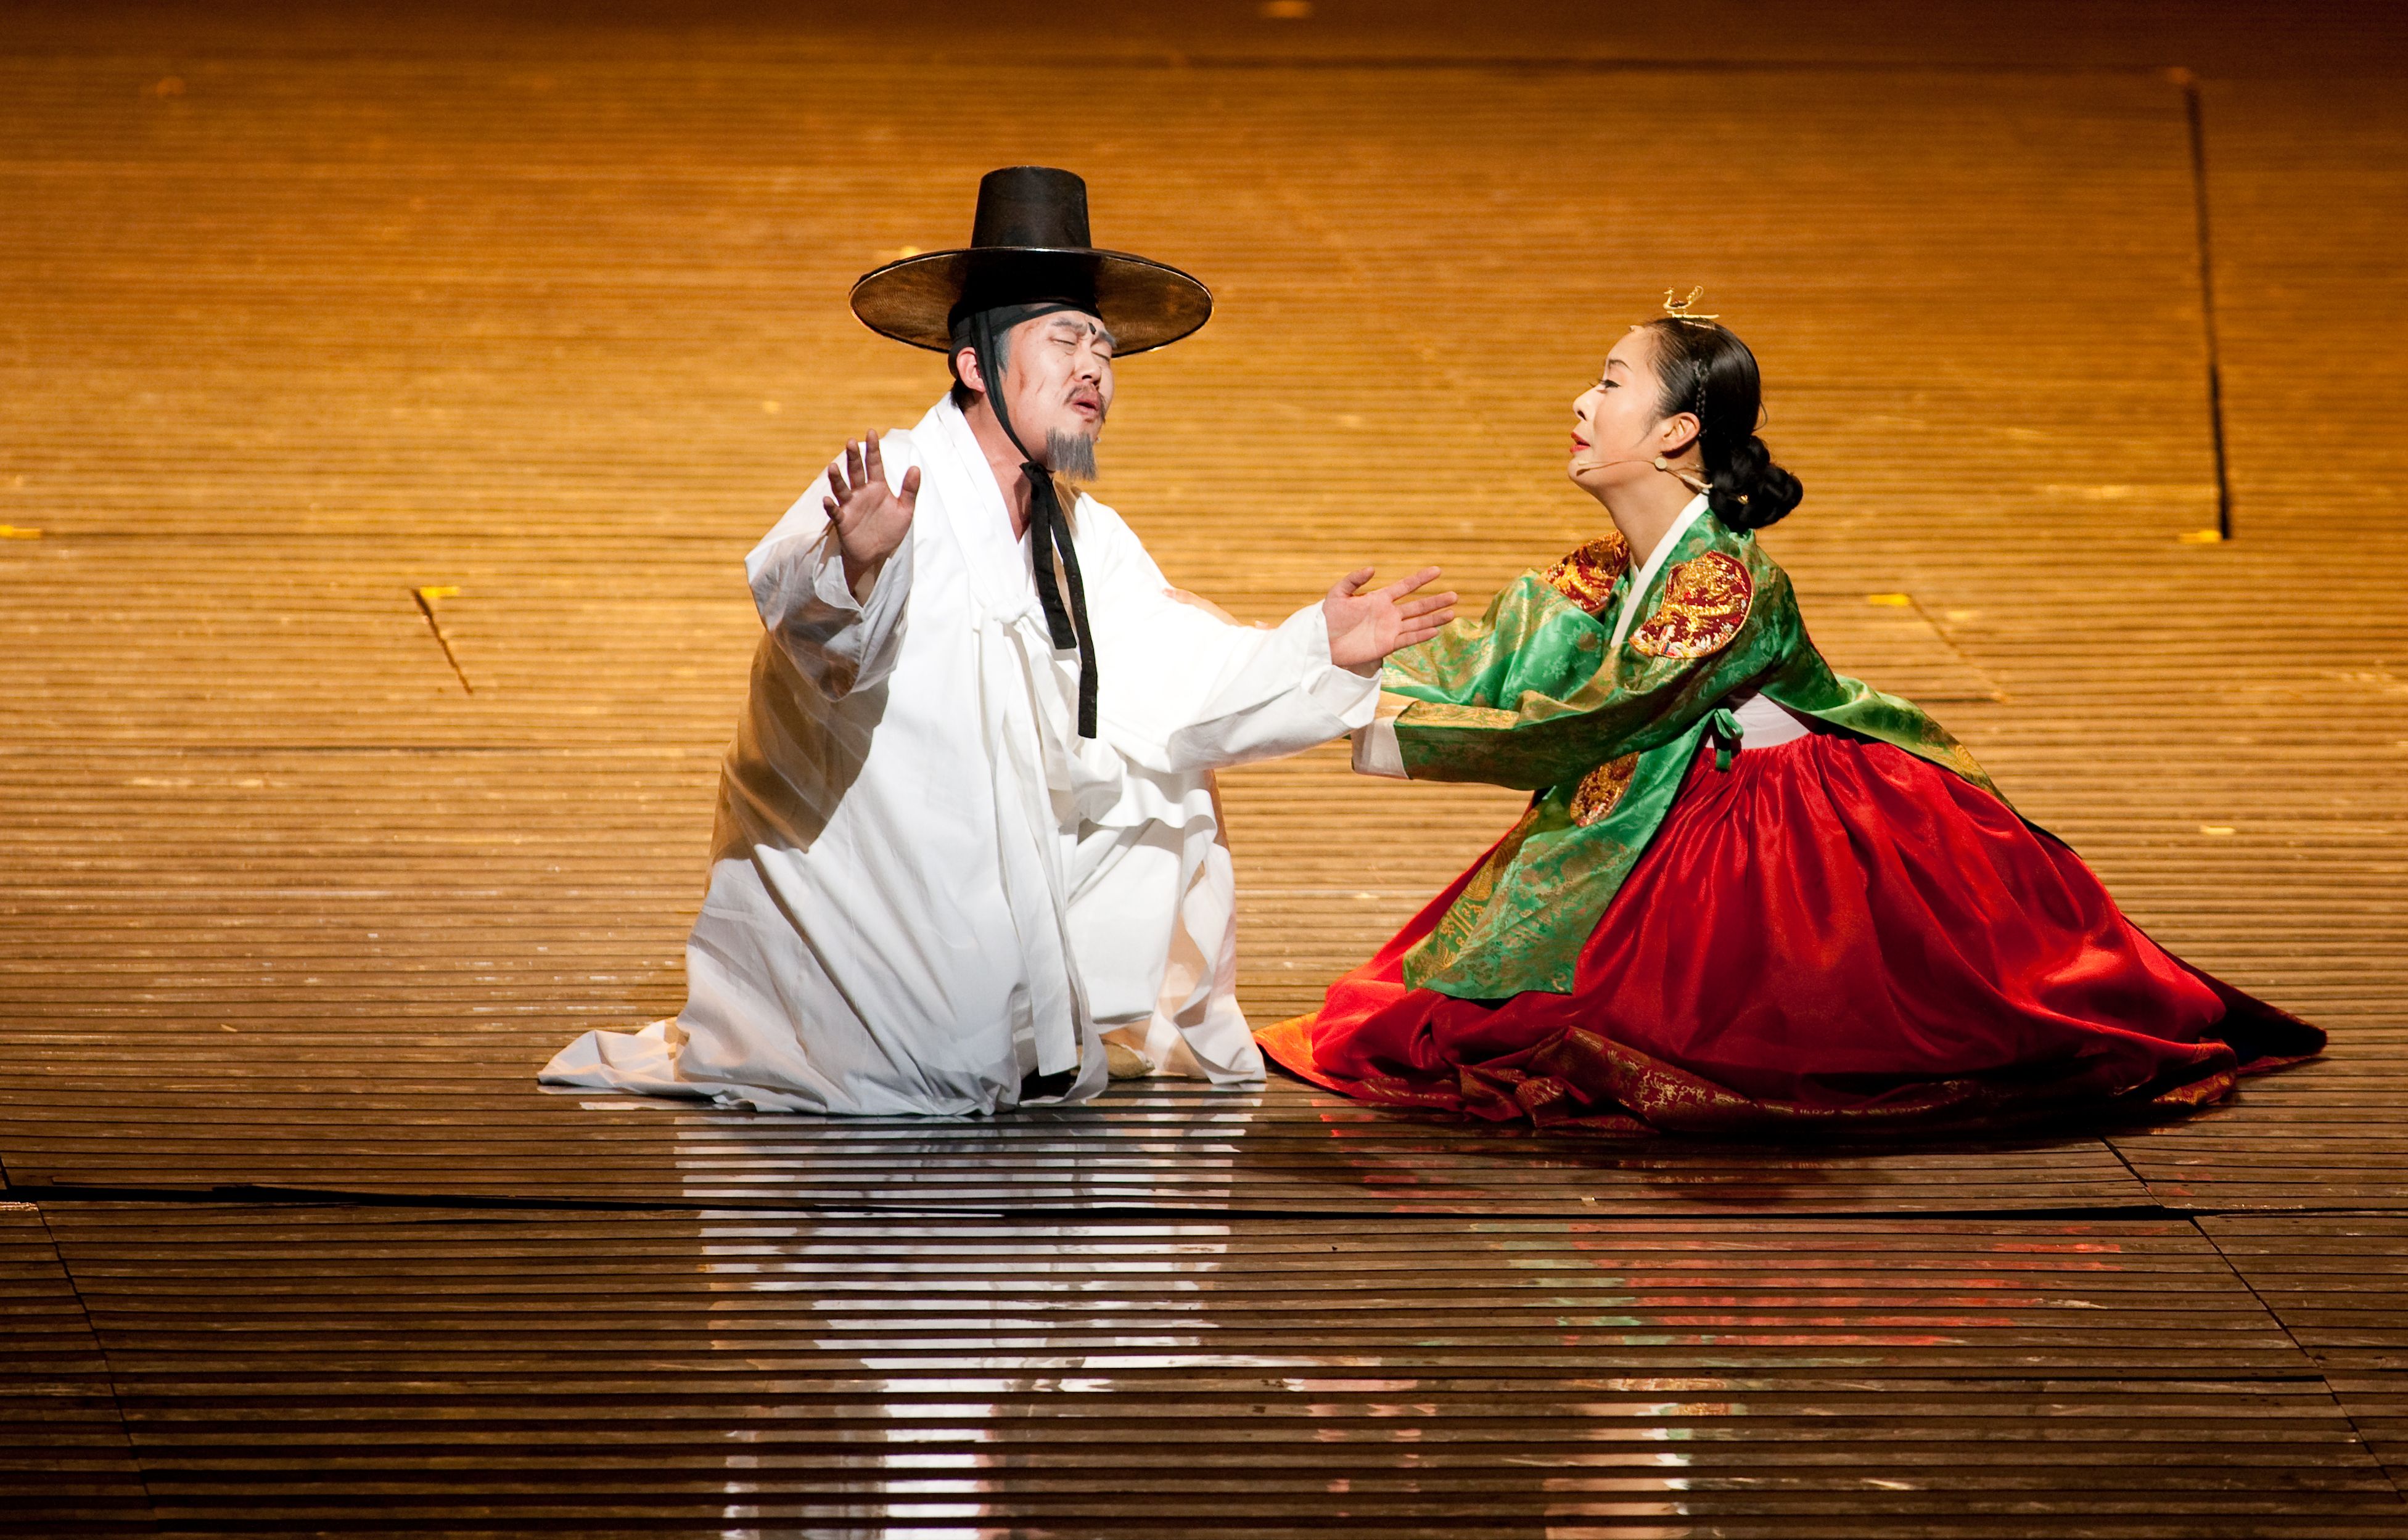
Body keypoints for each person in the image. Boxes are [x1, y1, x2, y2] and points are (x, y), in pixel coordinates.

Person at [1257, 293, 2322, 1135]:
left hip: (1795, 825)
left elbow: (1594, 719)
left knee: (1739, 1033)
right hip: (1683, 796)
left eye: (1608, 382)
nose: (1580, 403)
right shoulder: (1605, 565)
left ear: (1677, 429)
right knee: (1458, 1010)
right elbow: (1496, 660)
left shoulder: (1722, 581)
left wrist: (1345, 710)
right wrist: (1309, 662)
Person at [541, 166, 1453, 1115]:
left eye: (1102, 348)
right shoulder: (898, 476)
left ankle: (1054, 1003)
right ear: (974, 364)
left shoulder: (1082, 533)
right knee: (924, 1066)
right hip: (882, 862)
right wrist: (854, 566)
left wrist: (1318, 648)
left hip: (995, 850)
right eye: (1063, 340)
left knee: (1164, 778)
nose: (1092, 368)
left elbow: (1177, 679)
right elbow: (811, 638)